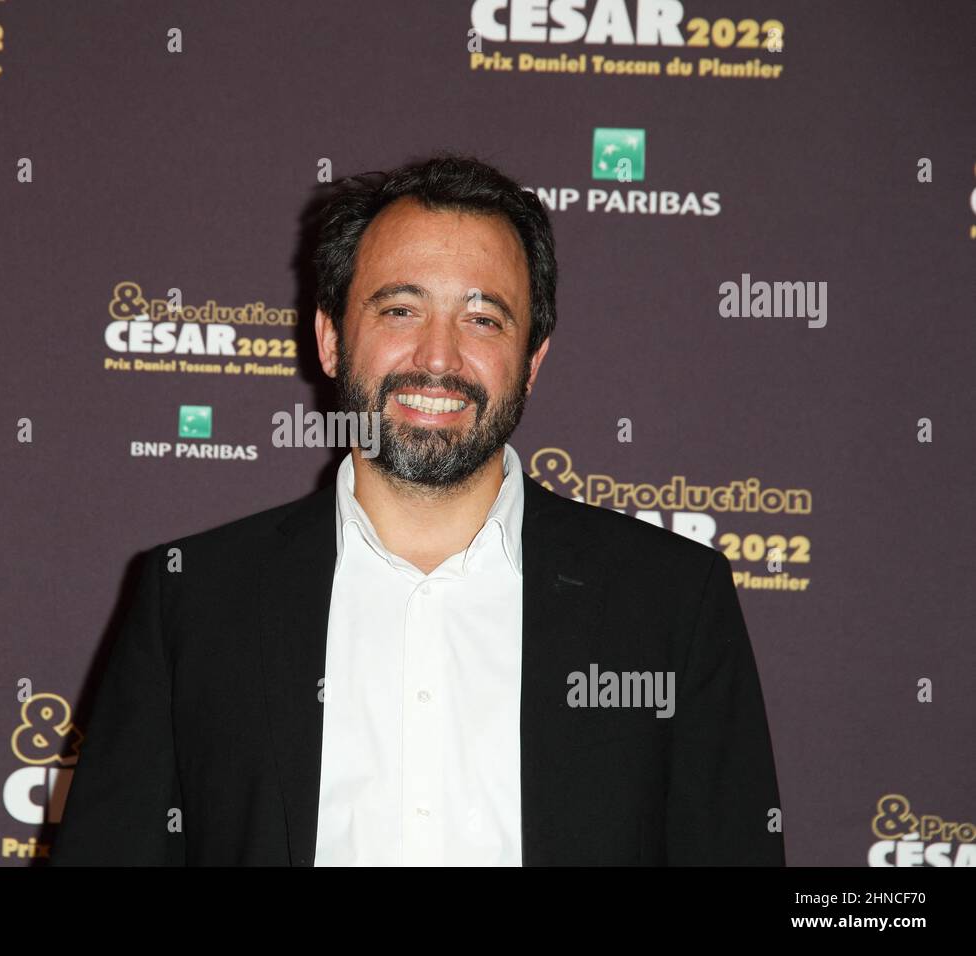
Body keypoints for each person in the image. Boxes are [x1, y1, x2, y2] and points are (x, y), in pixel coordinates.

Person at [50, 154, 784, 866]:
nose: (438, 358)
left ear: (532, 359)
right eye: (401, 309)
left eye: (484, 319)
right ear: (331, 337)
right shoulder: (193, 600)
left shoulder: (671, 604)